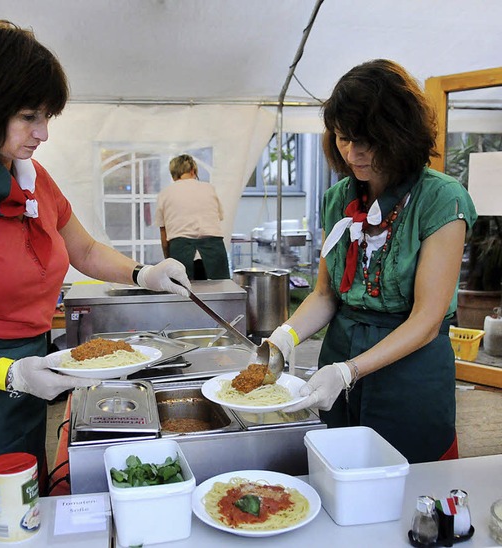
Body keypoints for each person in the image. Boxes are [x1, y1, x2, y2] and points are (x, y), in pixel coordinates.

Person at [0, 20, 190, 506]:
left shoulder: (28, 176)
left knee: (25, 514)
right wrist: (11, 373)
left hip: (23, 389)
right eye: (30, 117)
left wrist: (144, 273)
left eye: (47, 117)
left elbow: (83, 251)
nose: (43, 133)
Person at [268, 59, 477, 464]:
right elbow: (327, 295)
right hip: (341, 353)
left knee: (407, 483)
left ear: (399, 135)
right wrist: (284, 338)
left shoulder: (441, 199)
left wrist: (350, 371)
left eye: (368, 140)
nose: (354, 152)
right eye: (345, 139)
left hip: (410, 372)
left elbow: (427, 319)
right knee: (337, 475)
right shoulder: (339, 199)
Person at [155, 154, 230, 280]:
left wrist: (168, 259)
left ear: (173, 174)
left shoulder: (165, 193)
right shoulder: (209, 189)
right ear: (193, 171)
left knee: (184, 295)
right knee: (219, 293)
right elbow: (218, 217)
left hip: (180, 250)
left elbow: (164, 236)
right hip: (214, 250)